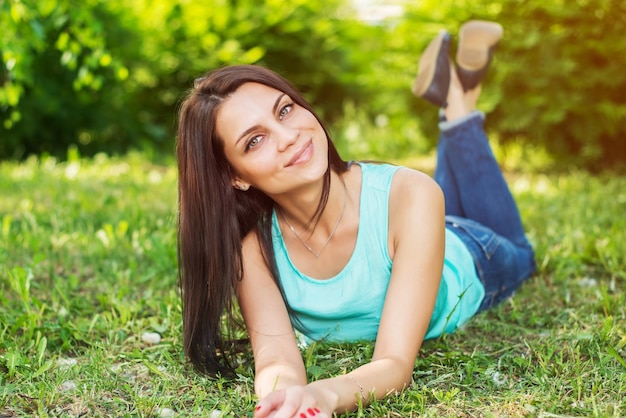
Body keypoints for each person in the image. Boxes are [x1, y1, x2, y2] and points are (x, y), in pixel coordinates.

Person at [176, 20, 536, 418]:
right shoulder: (254, 248)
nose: (289, 135)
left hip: (474, 253)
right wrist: (286, 401)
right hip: (417, 228)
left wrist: (327, 394)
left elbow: (395, 364)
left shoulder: (412, 193)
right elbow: (276, 358)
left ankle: (454, 96)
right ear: (235, 176)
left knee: (523, 251)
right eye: (255, 140)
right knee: (434, 198)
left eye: (285, 109)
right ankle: (459, 90)